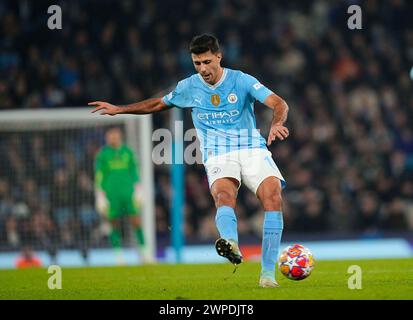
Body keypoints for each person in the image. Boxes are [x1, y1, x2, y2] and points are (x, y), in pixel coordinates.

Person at [89, 34, 289, 288]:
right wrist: (120, 108)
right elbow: (157, 104)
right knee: (223, 195)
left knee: (273, 196)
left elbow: (278, 103)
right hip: (218, 153)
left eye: (207, 61)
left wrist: (277, 123)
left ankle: (268, 275)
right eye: (197, 63)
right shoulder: (189, 87)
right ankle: (230, 243)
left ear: (219, 56)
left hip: (251, 148)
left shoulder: (241, 80)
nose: (203, 69)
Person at [94, 127, 149, 263]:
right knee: (113, 223)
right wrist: (99, 195)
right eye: (110, 135)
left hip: (128, 193)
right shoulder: (103, 155)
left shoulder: (127, 152)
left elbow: (134, 172)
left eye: (115, 135)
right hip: (111, 194)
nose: (113, 138)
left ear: (120, 136)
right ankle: (118, 255)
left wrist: (138, 189)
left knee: (136, 221)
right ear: (107, 137)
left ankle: (145, 253)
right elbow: (99, 175)